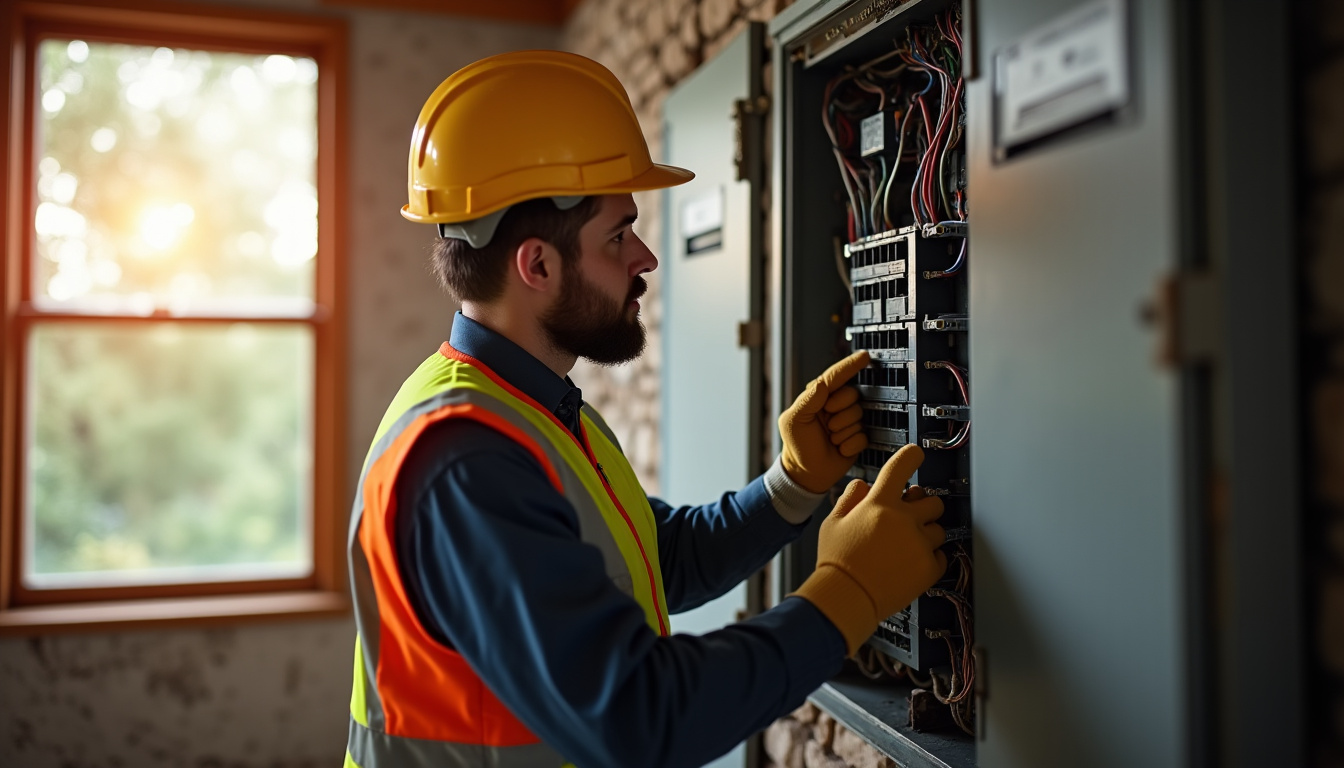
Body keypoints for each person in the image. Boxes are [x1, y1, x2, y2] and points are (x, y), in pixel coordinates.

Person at [344, 50, 948, 768]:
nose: (645, 258)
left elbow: (657, 560)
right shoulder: (463, 458)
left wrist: (791, 484)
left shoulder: (530, 408)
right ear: (537, 265)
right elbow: (640, 717)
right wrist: (848, 593)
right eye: (617, 236)